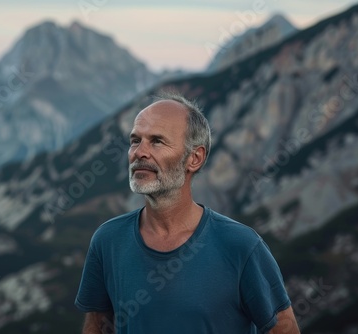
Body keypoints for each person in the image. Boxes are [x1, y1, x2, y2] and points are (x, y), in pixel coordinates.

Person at [74, 92, 299, 334]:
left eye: (157, 141)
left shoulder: (241, 246)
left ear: (194, 158)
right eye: (135, 140)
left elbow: (283, 329)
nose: (139, 152)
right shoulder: (108, 240)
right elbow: (97, 326)